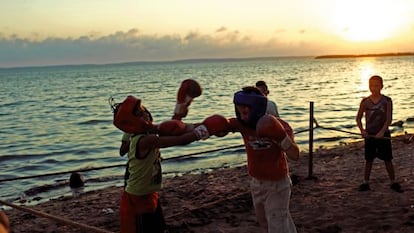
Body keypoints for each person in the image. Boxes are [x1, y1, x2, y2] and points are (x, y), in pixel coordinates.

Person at [112, 95, 217, 233]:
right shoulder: (145, 140)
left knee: (158, 229)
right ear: (131, 123)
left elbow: (176, 128)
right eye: (139, 114)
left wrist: (205, 124)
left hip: (149, 192)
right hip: (137, 197)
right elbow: (180, 140)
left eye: (144, 111)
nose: (145, 114)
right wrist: (204, 131)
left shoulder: (150, 132)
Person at [227, 86, 300, 233]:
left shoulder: (281, 126)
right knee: (269, 223)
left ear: (257, 108)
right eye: (239, 112)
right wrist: (196, 130)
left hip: (278, 185)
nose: (242, 116)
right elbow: (219, 125)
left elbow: (295, 155)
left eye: (245, 112)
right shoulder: (241, 124)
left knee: (277, 225)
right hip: (256, 183)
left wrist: (281, 137)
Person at [356, 75, 403, 193]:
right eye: (371, 85)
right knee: (369, 159)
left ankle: (393, 182)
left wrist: (382, 132)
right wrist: (362, 131)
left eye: (376, 86)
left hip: (383, 134)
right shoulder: (365, 101)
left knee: (388, 159)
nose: (374, 88)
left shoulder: (387, 100)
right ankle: (365, 182)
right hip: (370, 135)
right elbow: (358, 118)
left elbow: (388, 119)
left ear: (381, 86)